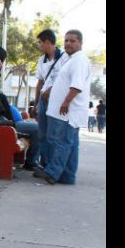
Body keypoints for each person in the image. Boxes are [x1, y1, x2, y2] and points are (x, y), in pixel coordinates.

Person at [33, 30, 91, 185]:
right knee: (69, 143)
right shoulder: (71, 59)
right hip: (64, 110)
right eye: (66, 40)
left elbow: (77, 86)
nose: (68, 44)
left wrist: (66, 102)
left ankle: (52, 173)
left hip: (68, 110)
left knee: (61, 142)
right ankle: (67, 176)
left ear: (80, 43)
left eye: (73, 41)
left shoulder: (79, 60)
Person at [32, 29, 67, 167]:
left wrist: (52, 89)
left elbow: (66, 80)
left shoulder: (64, 58)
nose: (39, 45)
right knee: (42, 134)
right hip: (43, 101)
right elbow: (40, 82)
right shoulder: (42, 60)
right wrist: (35, 104)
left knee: (54, 135)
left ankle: (53, 166)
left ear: (48, 42)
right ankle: (44, 164)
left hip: (57, 101)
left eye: (40, 42)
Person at [0, 104, 40, 170]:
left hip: (15, 123)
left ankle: (32, 161)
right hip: (11, 125)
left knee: (38, 128)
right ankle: (31, 162)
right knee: (38, 129)